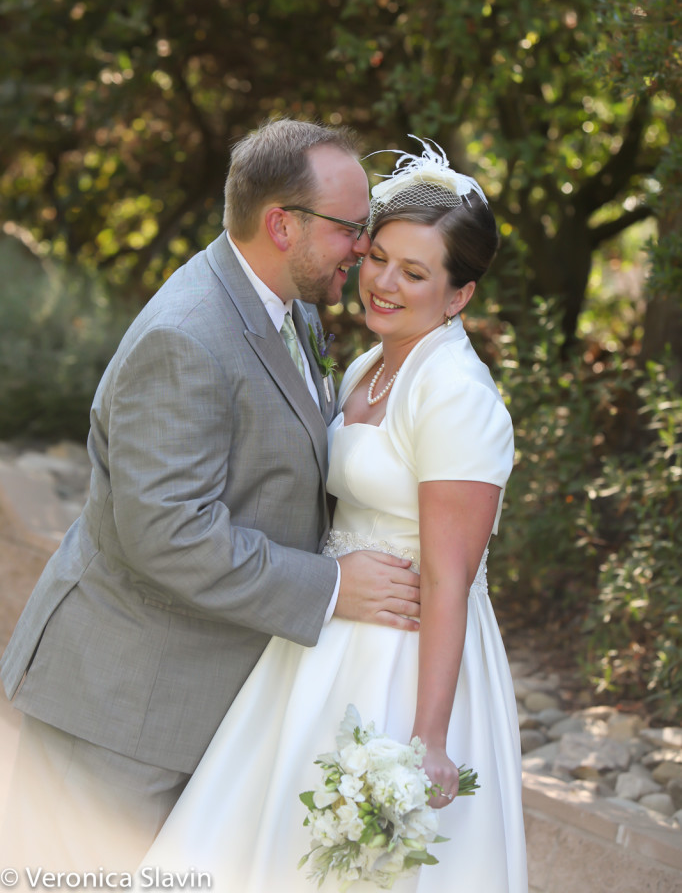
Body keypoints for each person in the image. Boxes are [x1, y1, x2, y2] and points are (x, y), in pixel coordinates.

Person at [0, 118, 422, 876]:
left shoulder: (287, 304)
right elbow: (167, 532)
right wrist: (331, 588)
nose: (365, 247)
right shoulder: (189, 337)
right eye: (353, 228)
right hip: (119, 710)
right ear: (282, 224)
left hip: (191, 699)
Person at [142, 138, 528, 892]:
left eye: (414, 273)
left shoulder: (455, 395)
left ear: (459, 297)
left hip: (408, 659)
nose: (382, 282)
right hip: (323, 637)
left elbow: (450, 581)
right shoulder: (369, 365)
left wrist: (428, 739)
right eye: (378, 254)